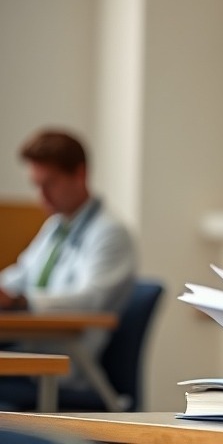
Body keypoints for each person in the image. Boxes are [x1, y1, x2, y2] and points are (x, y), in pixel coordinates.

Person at [0, 129, 137, 365]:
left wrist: (21, 302)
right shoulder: (56, 226)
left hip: (68, 364)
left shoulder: (110, 232)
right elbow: (21, 275)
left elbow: (91, 300)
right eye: (37, 185)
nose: (42, 196)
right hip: (30, 350)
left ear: (80, 174)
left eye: (50, 184)